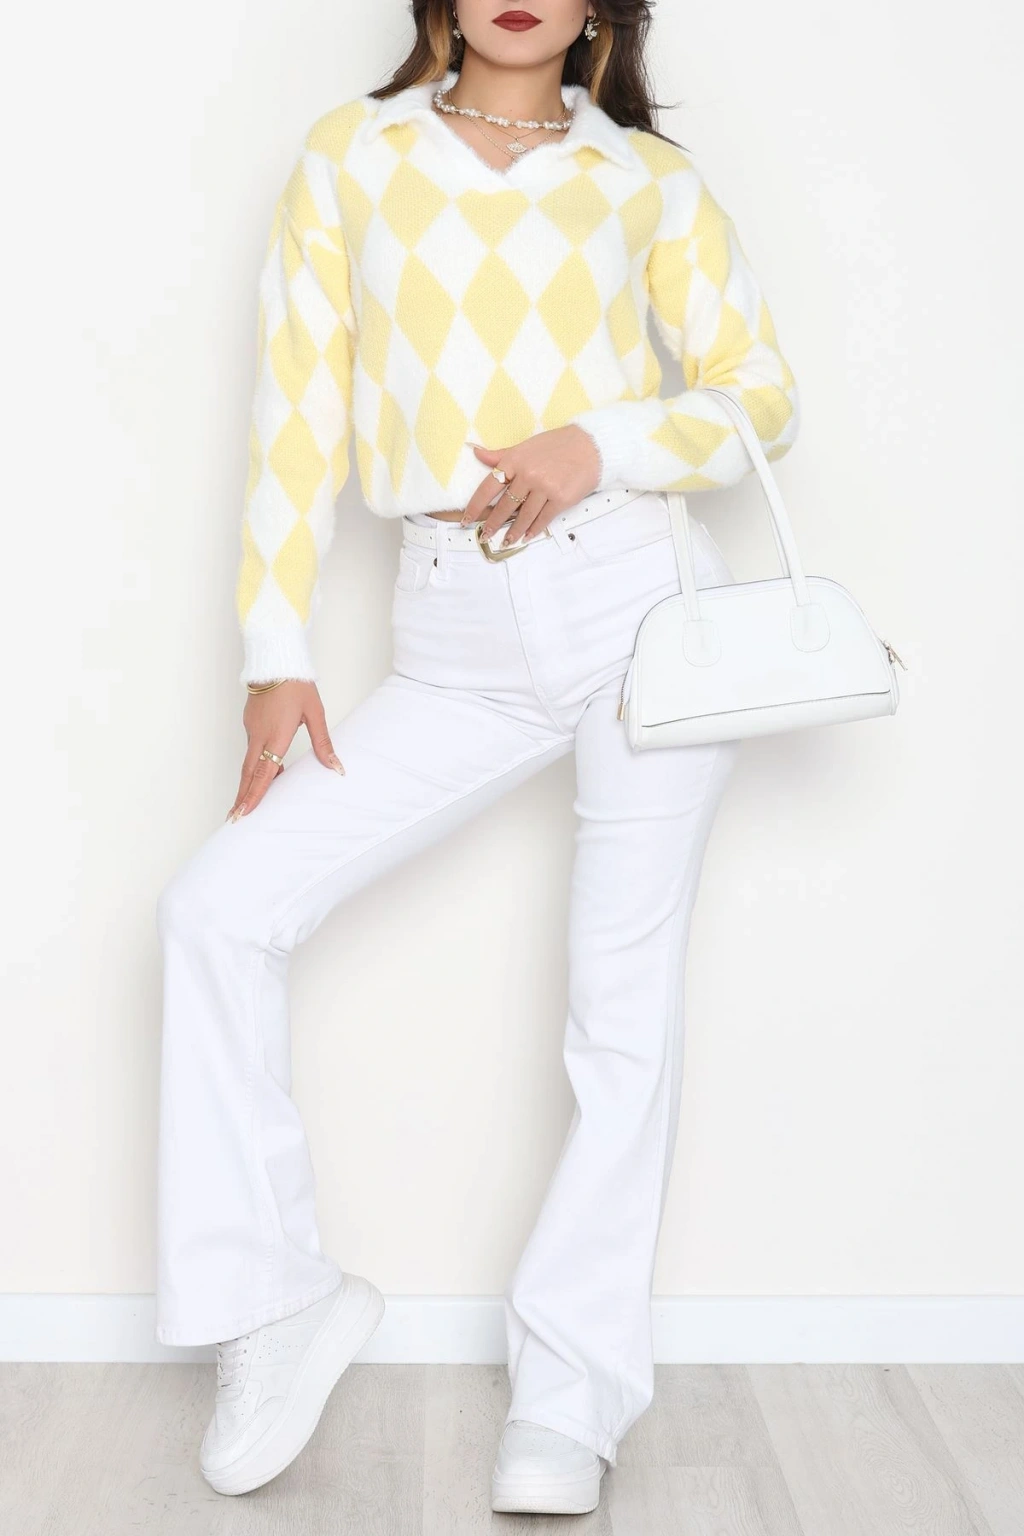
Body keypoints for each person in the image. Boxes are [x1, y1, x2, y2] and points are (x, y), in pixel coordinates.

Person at [154, 0, 799, 1515]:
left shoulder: (646, 178)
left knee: (619, 1021)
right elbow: (297, 413)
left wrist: (598, 444)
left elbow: (763, 397)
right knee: (216, 910)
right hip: (453, 630)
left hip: (643, 606)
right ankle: (272, 1300)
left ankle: (570, 1397)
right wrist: (275, 651)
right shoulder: (353, 156)